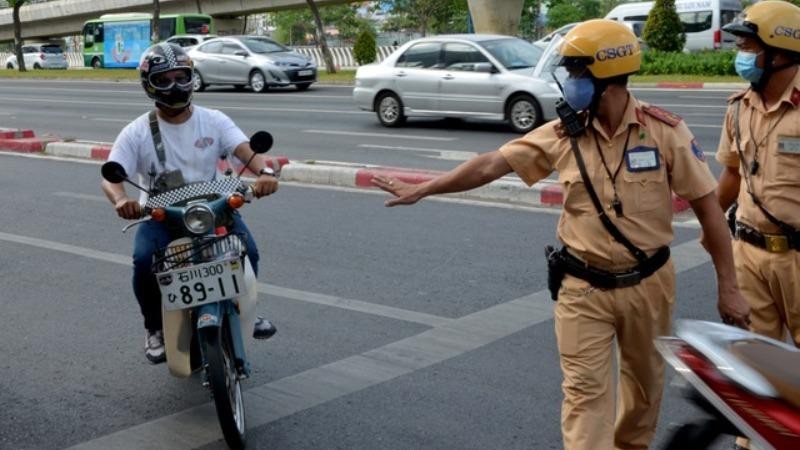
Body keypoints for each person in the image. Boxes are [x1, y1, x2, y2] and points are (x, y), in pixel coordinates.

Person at [372, 20, 750, 450]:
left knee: (644, 395)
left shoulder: (664, 133)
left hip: (649, 285)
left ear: (606, 77)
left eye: (576, 72)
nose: (570, 82)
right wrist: (425, 188)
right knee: (584, 398)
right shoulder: (561, 134)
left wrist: (729, 287)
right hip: (582, 287)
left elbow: (709, 210)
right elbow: (491, 164)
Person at [101, 43, 278, 365]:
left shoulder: (214, 120)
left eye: (181, 77)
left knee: (248, 252)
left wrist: (266, 173)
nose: (175, 86)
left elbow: (246, 151)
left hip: (215, 209)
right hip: (161, 215)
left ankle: (245, 308)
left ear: (192, 78)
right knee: (143, 262)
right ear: (149, 84)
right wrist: (121, 199)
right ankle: (154, 327)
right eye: (164, 79)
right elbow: (111, 175)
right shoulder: (136, 132)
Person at [713, 2, 800, 449]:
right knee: (754, 374)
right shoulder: (738, 106)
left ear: (780, 50)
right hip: (748, 252)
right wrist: (690, 214)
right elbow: (731, 175)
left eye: (749, 44)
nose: (741, 53)